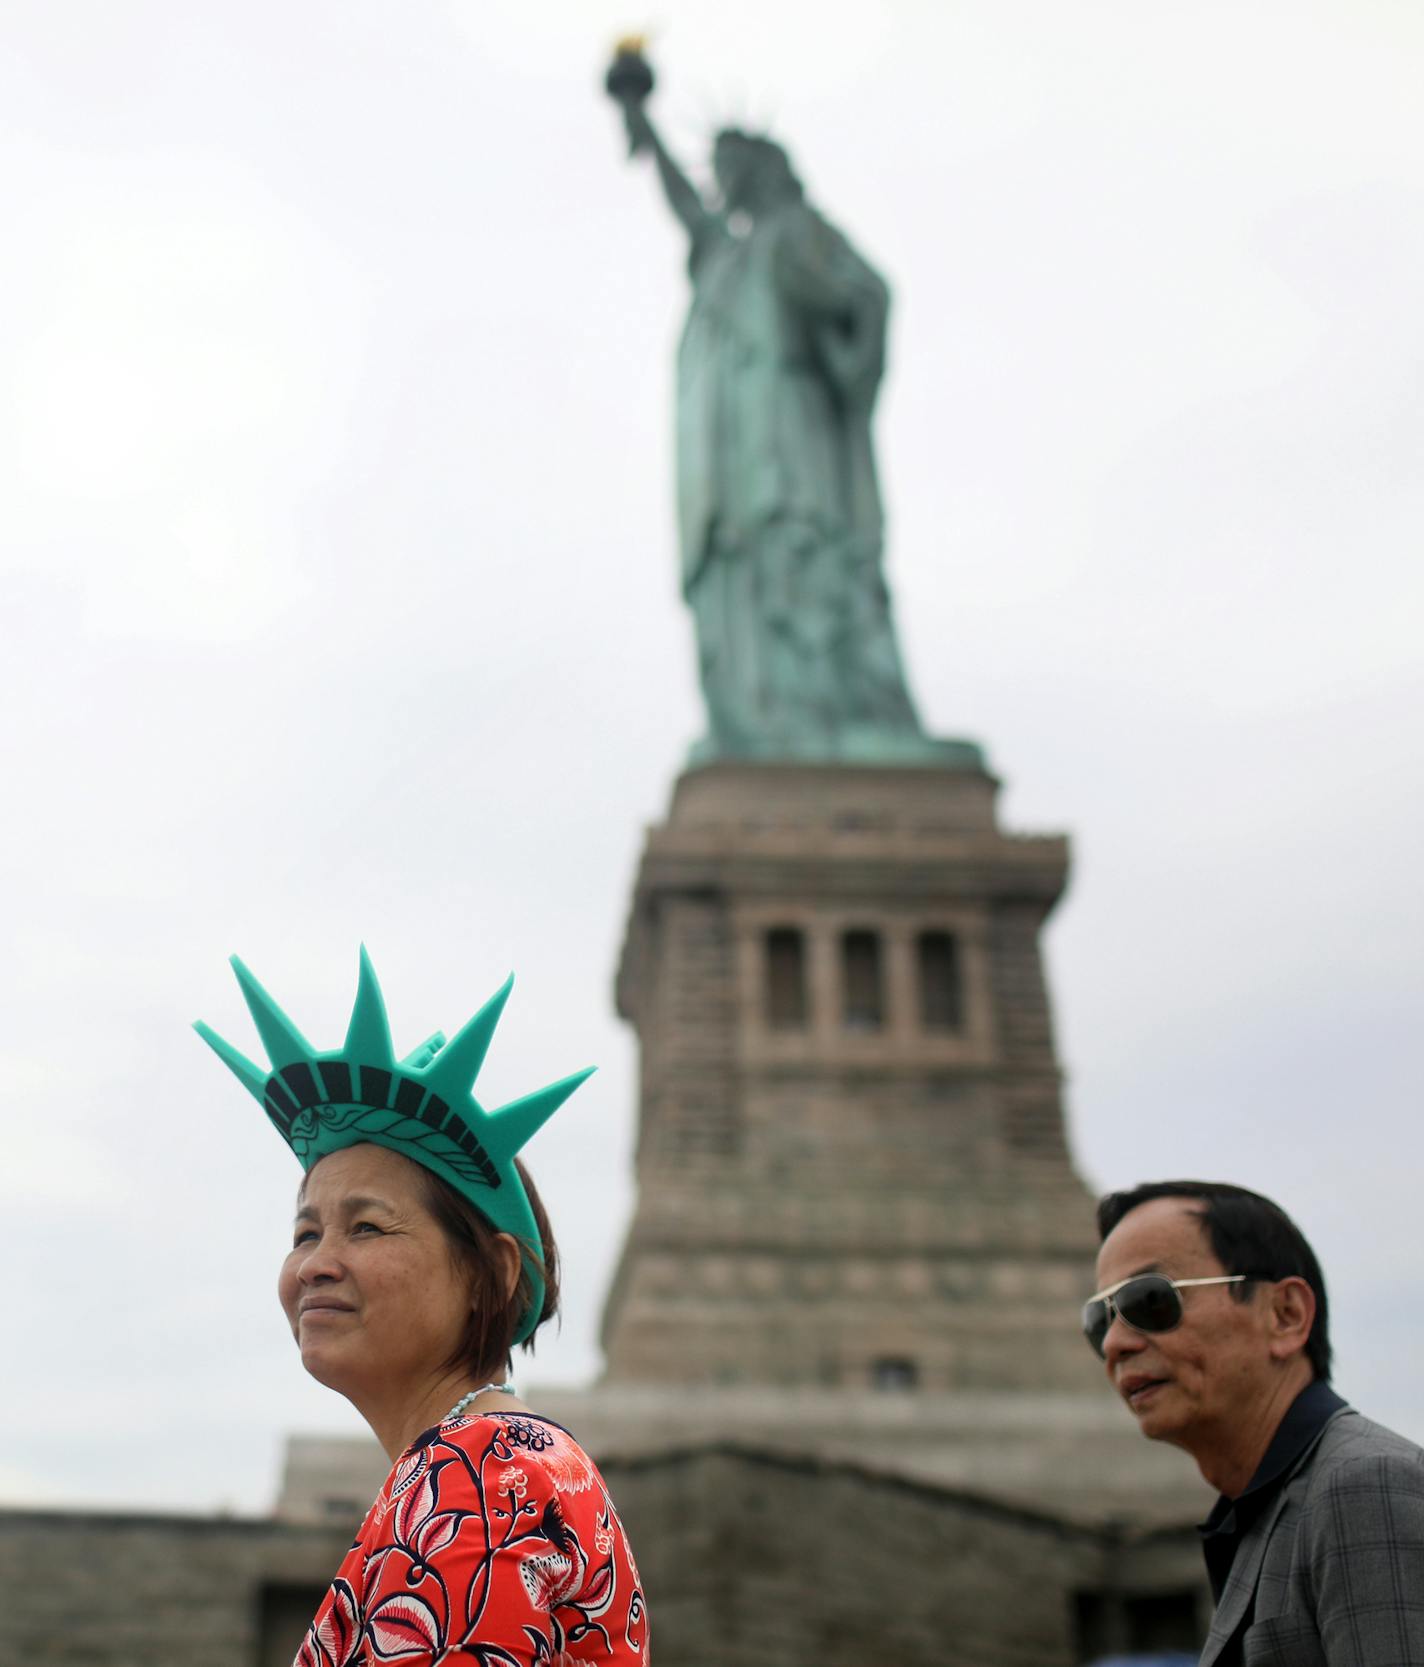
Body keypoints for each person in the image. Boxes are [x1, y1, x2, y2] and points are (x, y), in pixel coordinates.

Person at [197, 949, 649, 1667]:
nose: (315, 1263)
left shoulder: (483, 1472)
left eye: (368, 1225)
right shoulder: (488, 1464)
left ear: (491, 1275)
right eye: (304, 1233)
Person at [616, 90, 932, 763]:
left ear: (761, 170)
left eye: (731, 168)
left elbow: (869, 295)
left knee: (802, 549)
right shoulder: (725, 254)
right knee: (744, 567)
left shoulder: (798, 232)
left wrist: (846, 356)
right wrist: (640, 123)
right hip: (728, 447)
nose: (720, 184)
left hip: (793, 428)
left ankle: (835, 707)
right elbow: (686, 209)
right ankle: (762, 714)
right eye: (716, 171)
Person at [1086, 1179, 1424, 1666]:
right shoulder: (1262, 1510)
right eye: (1099, 1322)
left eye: (1149, 1302)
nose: (1116, 1343)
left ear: (1285, 1315)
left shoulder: (1364, 1485)